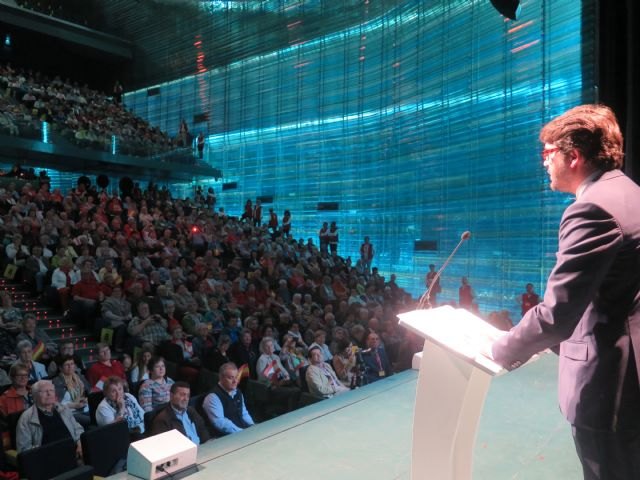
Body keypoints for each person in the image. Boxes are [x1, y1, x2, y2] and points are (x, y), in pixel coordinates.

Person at [490, 104, 640, 480]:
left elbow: (558, 315)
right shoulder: (630, 192)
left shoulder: (592, 209)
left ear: (573, 156)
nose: (543, 163)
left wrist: (498, 348)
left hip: (612, 385)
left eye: (547, 153)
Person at [15, 379, 84, 455]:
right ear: (35, 396)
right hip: (47, 458)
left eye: (51, 390)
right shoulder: (26, 418)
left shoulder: (63, 408)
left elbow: (77, 428)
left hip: (74, 452)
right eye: (44, 391)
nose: (49, 394)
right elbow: (24, 449)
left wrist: (80, 443)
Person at [203, 363, 254, 436]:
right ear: (221, 378)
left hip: (243, 432)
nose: (235, 381)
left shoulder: (238, 392)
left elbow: (244, 413)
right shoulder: (212, 397)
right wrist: (242, 432)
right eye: (231, 378)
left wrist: (253, 426)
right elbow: (220, 423)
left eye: (236, 377)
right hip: (228, 437)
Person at [52, 356, 90, 427]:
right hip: (70, 412)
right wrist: (75, 405)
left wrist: (86, 399)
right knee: (91, 420)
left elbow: (90, 392)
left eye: (72, 364)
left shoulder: (80, 377)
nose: (70, 366)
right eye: (67, 365)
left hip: (84, 407)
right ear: (60, 368)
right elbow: (57, 404)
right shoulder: (57, 381)